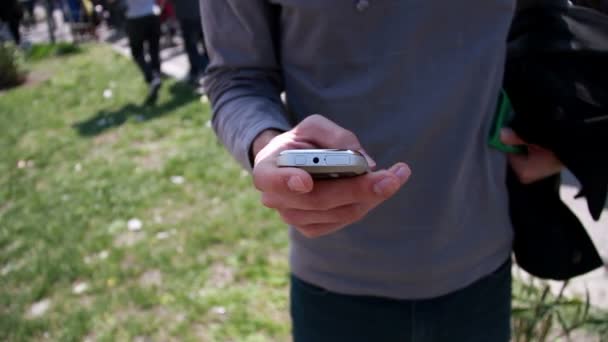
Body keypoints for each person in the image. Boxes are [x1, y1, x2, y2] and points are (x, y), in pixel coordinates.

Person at [201, 0, 564, 341]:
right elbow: (237, 77)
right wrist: (267, 145)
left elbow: (555, 26)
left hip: (481, 267)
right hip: (336, 283)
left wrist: (574, 134)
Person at [124, 0, 161, 105]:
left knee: (137, 52)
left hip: (135, 18)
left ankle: (152, 77)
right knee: (154, 50)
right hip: (152, 15)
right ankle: (156, 76)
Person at [171, 0, 208, 85]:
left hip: (188, 16)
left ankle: (199, 70)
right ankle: (199, 69)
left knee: (191, 46)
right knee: (204, 43)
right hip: (200, 12)